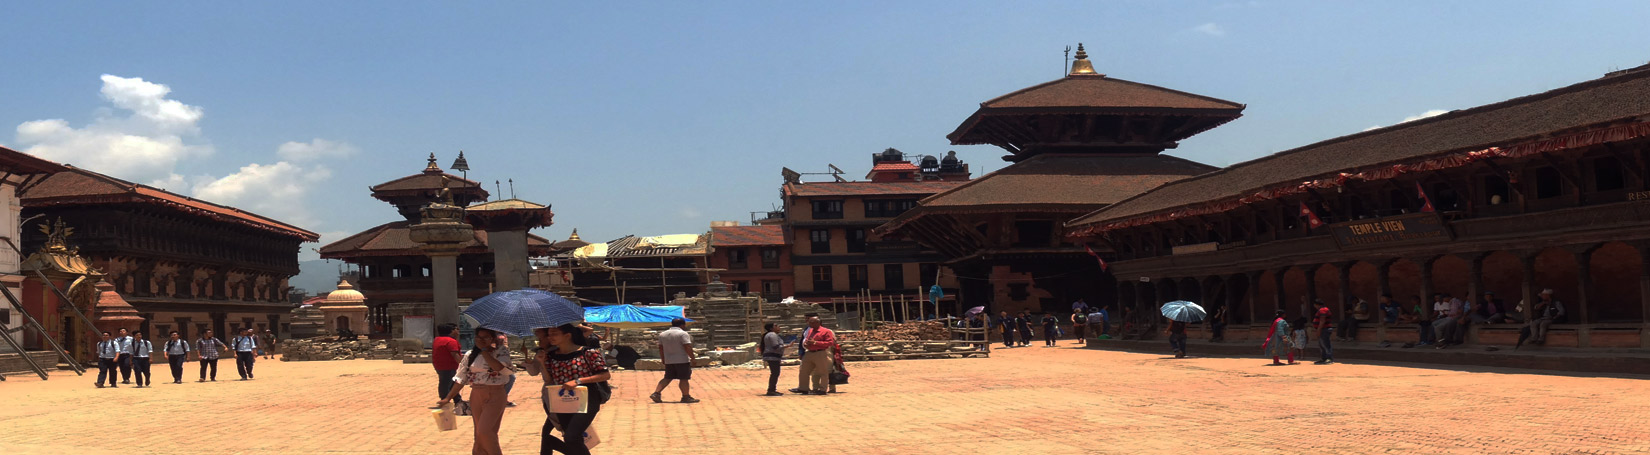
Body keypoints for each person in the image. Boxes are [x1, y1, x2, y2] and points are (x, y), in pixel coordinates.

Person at [537, 323, 611, 455]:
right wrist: (542, 362)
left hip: (587, 398)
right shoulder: (551, 355)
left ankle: (549, 443)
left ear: (567, 335)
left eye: (554, 334)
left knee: (572, 437)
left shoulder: (588, 352)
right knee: (571, 439)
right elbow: (549, 380)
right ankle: (549, 443)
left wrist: (578, 381)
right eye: (549, 334)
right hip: (563, 400)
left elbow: (605, 375)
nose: (550, 337)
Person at [438, 327, 514, 455]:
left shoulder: (501, 352)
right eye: (479, 337)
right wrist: (448, 398)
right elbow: (461, 379)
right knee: (479, 435)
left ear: (492, 339)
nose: (481, 340)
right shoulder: (470, 355)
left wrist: (484, 350)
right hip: (476, 394)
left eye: (486, 337)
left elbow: (498, 367)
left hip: (495, 394)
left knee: (485, 431)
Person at [650, 317, 698, 403]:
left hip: (669, 360)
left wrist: (663, 359)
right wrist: (693, 358)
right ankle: (686, 396)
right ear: (683, 325)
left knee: (667, 377)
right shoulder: (683, 334)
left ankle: (656, 393)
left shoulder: (663, 334)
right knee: (684, 379)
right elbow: (687, 346)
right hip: (682, 360)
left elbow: (661, 348)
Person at [794, 315, 837, 395]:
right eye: (809, 322)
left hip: (820, 353)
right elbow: (806, 339)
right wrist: (806, 344)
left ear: (817, 322)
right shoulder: (810, 330)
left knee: (823, 372)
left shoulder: (826, 331)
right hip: (809, 352)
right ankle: (803, 388)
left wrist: (816, 343)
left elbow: (830, 342)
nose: (809, 324)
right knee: (803, 371)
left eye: (811, 322)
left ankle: (822, 389)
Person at [432, 323, 461, 407]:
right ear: (451, 331)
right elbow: (455, 354)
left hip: (439, 365)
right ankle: (444, 400)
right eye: (456, 329)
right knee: (446, 383)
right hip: (449, 366)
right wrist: (463, 365)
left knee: (451, 383)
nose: (458, 331)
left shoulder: (437, 339)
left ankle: (457, 400)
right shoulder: (451, 341)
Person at [760, 322, 788, 396]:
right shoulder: (772, 335)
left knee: (775, 373)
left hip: (773, 356)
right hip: (772, 356)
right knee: (775, 373)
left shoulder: (770, 335)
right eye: (776, 326)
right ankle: (771, 390)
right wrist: (786, 346)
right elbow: (775, 346)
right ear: (771, 328)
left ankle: (772, 389)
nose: (778, 327)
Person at [1312, 300, 1334, 364]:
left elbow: (1322, 321)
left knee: (1325, 344)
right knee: (1322, 344)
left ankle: (1329, 358)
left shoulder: (1322, 310)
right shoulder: (1322, 310)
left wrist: (1319, 330)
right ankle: (1324, 358)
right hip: (1323, 329)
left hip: (1324, 329)